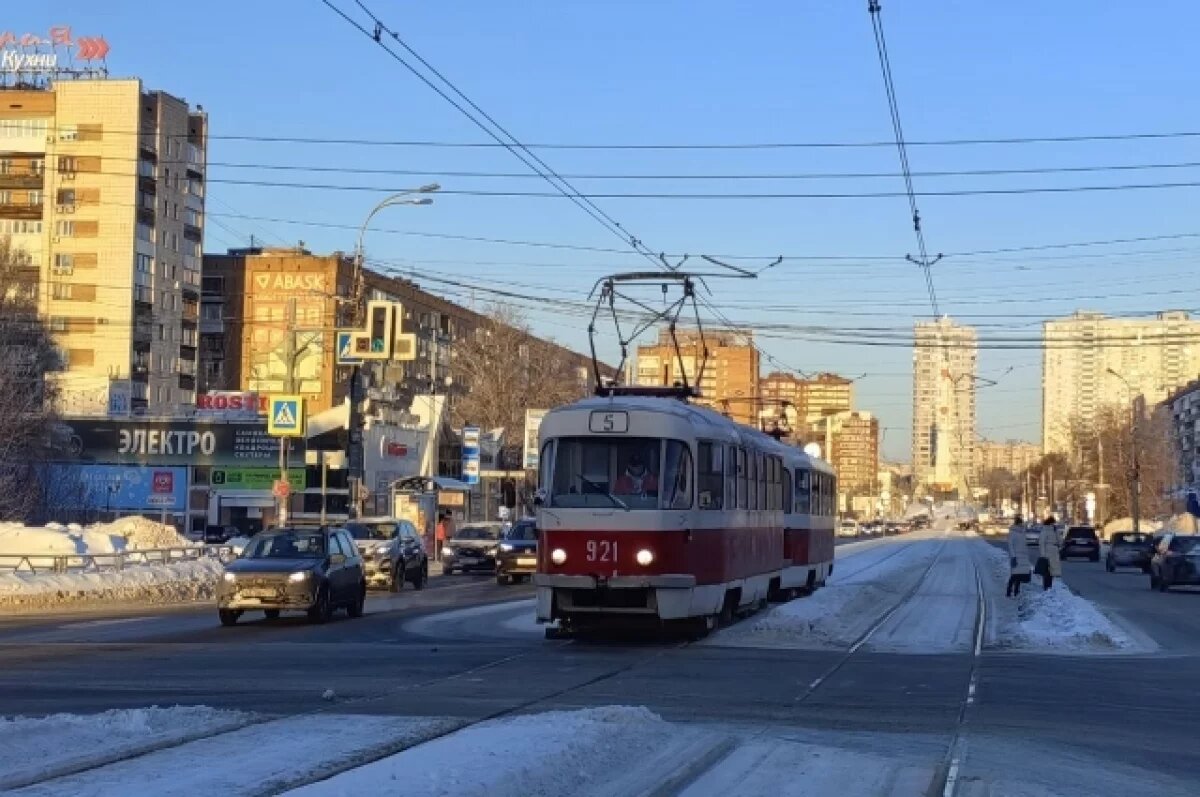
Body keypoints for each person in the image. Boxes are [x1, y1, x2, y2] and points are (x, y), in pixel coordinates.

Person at [1006, 514, 1032, 597]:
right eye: (1021, 523)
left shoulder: (1022, 532)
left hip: (1023, 556)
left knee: (1019, 574)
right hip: (1017, 556)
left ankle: (1016, 591)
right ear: (1018, 524)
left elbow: (1024, 544)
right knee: (1014, 575)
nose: (1022, 525)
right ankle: (1009, 591)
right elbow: (1010, 545)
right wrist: (1013, 556)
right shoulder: (1013, 532)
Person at [1036, 516, 1063, 590]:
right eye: (1053, 523)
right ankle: (1047, 586)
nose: (1054, 524)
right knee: (1048, 570)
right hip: (1049, 552)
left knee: (1050, 571)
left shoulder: (1053, 530)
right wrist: (1043, 554)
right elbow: (1042, 543)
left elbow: (1060, 541)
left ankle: (1048, 586)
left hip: (1052, 552)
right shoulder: (1047, 530)